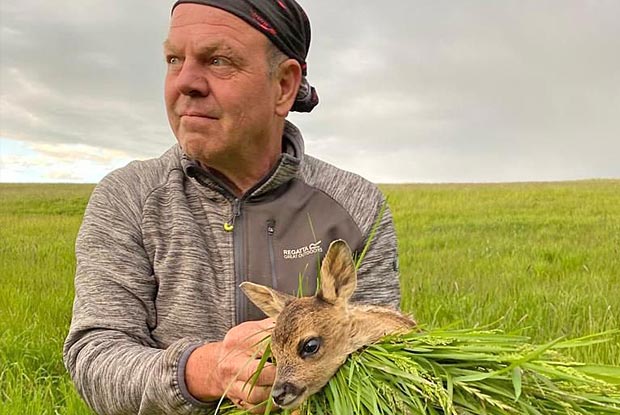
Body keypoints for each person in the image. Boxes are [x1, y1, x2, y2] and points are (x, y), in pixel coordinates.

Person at [63, 1, 400, 414]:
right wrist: (203, 371)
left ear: (283, 86)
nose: (185, 82)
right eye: (174, 59)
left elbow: (383, 364)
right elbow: (94, 357)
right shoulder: (128, 197)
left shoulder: (356, 205)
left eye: (217, 60)